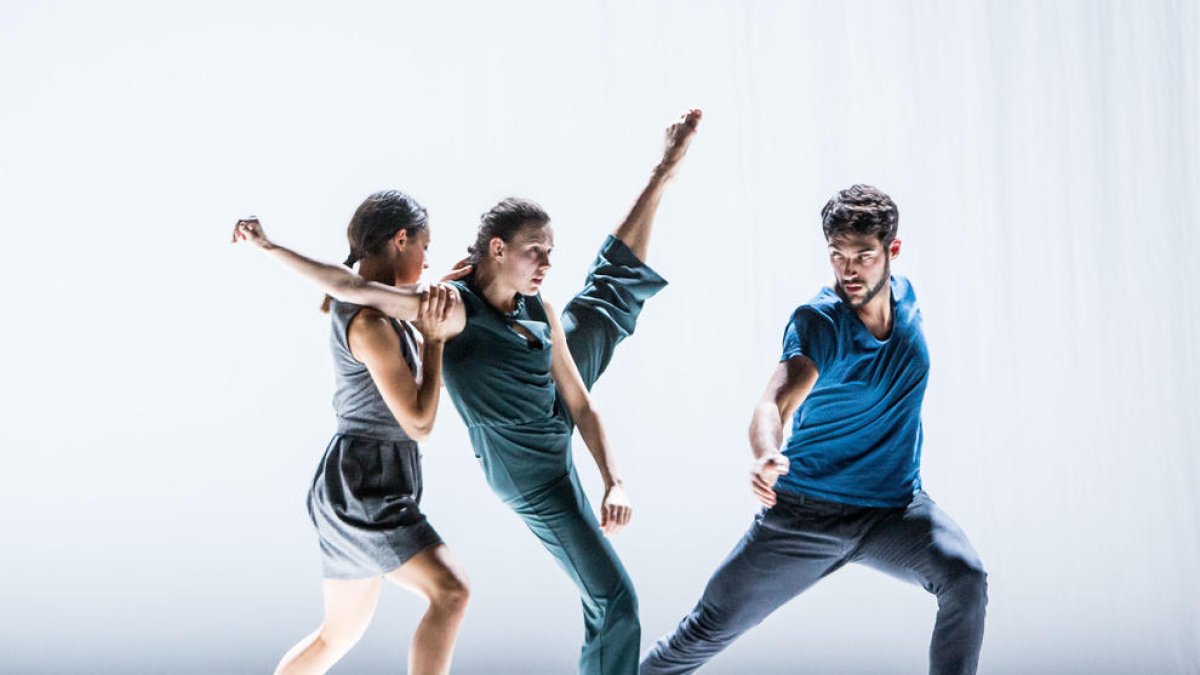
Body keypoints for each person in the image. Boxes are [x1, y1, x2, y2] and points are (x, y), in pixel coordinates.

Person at [233, 108, 702, 675]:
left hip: (537, 385)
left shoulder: (535, 309)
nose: (548, 262)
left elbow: (581, 401)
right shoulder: (442, 309)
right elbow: (352, 289)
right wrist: (270, 249)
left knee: (607, 299)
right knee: (575, 600)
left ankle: (662, 172)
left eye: (551, 252)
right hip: (514, 463)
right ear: (498, 250)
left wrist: (615, 478)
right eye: (537, 251)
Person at [640, 184, 988, 675]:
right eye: (837, 256)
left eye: (863, 256)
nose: (849, 270)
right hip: (808, 515)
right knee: (703, 630)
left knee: (965, 578)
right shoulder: (818, 322)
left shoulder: (909, 298)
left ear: (893, 251)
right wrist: (766, 454)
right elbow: (773, 405)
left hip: (895, 511)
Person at [232, 190, 469, 675]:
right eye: (425, 247)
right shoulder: (369, 322)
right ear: (401, 240)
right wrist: (435, 341)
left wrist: (437, 300)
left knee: (337, 636)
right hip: (365, 485)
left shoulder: (376, 305)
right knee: (450, 592)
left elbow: (376, 292)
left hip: (354, 481)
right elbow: (420, 423)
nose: (427, 262)